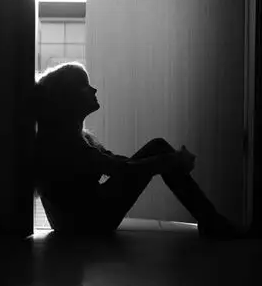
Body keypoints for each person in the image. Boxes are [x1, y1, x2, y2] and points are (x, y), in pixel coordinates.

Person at [33, 61, 240, 239]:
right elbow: (120, 168)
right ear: (69, 98)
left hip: (79, 221)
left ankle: (211, 220)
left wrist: (167, 160)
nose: (94, 90)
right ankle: (212, 221)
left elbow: (116, 162)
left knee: (156, 150)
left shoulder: (76, 137)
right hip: (83, 225)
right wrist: (170, 161)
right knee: (157, 149)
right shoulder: (63, 142)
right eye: (85, 86)